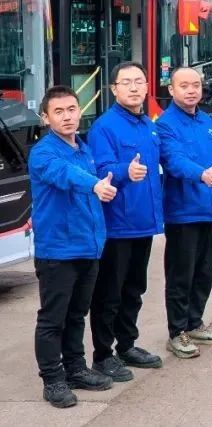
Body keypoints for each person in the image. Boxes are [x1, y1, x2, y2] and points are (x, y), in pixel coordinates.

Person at [29, 86, 117, 408]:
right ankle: (53, 379)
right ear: (46, 118)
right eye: (58, 112)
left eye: (71, 109)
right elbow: (64, 175)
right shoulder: (43, 153)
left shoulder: (84, 148)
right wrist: (94, 185)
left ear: (80, 111)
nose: (67, 117)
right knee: (53, 319)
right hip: (57, 251)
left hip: (87, 247)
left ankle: (76, 368)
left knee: (77, 314)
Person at [88, 62, 164, 381]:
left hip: (143, 222)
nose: (134, 88)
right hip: (117, 224)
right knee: (110, 292)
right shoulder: (104, 127)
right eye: (126, 82)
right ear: (114, 89)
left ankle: (127, 345)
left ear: (147, 87)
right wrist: (124, 171)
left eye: (139, 81)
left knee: (134, 289)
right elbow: (100, 168)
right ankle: (103, 355)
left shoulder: (148, 124)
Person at [156, 68, 212, 359]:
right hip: (183, 212)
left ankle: (194, 323)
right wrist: (200, 174)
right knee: (180, 275)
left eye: (196, 85)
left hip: (209, 209)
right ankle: (177, 332)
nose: (191, 90)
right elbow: (173, 161)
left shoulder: (206, 121)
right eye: (183, 85)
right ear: (171, 90)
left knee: (204, 271)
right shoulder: (165, 124)